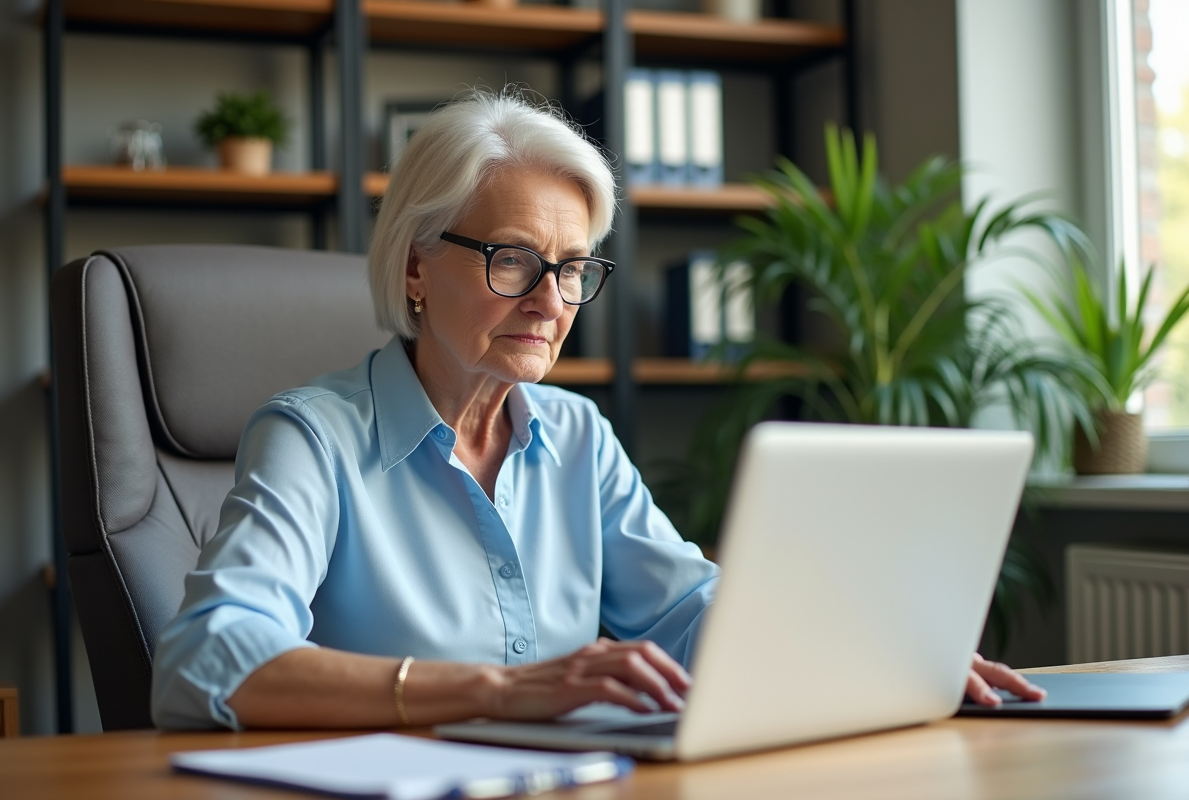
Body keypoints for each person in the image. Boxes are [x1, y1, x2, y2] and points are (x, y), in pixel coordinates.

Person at [151, 89, 1044, 731]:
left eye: (574, 268)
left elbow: (689, 613)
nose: (551, 301)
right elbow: (208, 658)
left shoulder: (574, 434)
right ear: (417, 266)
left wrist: (878, 652)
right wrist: (495, 690)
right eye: (513, 259)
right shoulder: (312, 438)